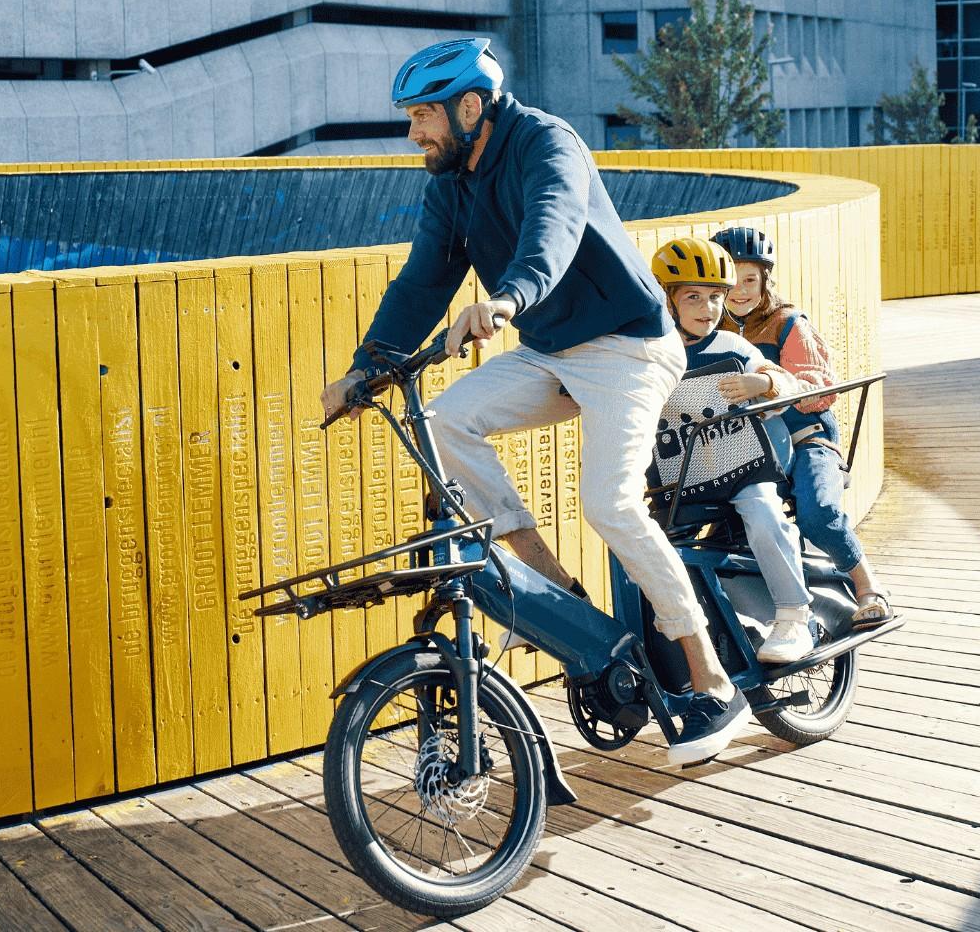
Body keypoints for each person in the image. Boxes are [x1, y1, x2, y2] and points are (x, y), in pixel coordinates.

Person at [320, 38, 750, 766]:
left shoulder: (549, 142)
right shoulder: (449, 181)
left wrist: (506, 298)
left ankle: (709, 674)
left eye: (423, 115)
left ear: (471, 107)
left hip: (627, 345)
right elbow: (422, 284)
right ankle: (547, 577)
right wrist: (365, 370)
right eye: (411, 117)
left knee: (611, 504)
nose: (413, 132)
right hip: (553, 349)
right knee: (449, 419)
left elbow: (553, 226)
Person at [712, 226, 893, 628]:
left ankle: (868, 587)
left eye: (750, 280)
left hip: (806, 438)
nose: (739, 291)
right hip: (750, 447)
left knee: (817, 512)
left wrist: (770, 389)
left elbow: (821, 389)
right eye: (731, 280)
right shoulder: (710, 328)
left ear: (765, 281)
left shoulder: (786, 323)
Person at [649, 237, 816, 663]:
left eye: (715, 298)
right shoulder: (649, 355)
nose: (707, 309)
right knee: (646, 543)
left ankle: (794, 617)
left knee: (763, 511)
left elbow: (791, 384)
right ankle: (671, 637)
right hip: (683, 479)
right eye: (693, 297)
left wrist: (766, 384)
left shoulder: (733, 347)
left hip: (741, 468)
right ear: (667, 301)